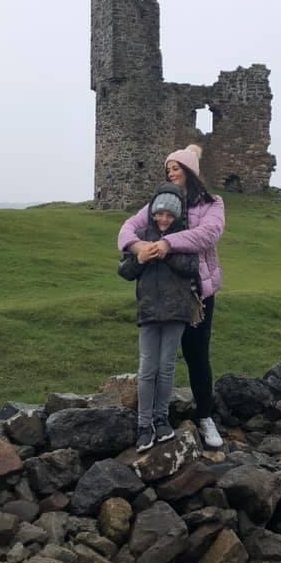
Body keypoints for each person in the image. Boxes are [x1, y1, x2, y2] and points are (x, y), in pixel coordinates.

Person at [118, 144, 225, 448]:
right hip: (163, 292)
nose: (170, 172)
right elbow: (127, 229)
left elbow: (209, 234)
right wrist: (138, 247)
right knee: (155, 361)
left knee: (196, 355)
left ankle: (204, 417)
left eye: (176, 167)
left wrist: (166, 243)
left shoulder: (212, 203)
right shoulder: (161, 200)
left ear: (190, 170)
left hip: (196, 294)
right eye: (168, 169)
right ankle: (152, 419)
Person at [118, 182, 200, 453]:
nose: (163, 219)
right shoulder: (140, 236)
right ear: (152, 212)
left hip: (177, 312)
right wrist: (142, 255)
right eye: (159, 213)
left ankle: (161, 418)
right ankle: (144, 426)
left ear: (177, 216)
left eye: (169, 215)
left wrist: (165, 252)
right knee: (146, 369)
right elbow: (125, 271)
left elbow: (191, 268)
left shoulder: (185, 238)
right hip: (149, 311)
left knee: (166, 368)